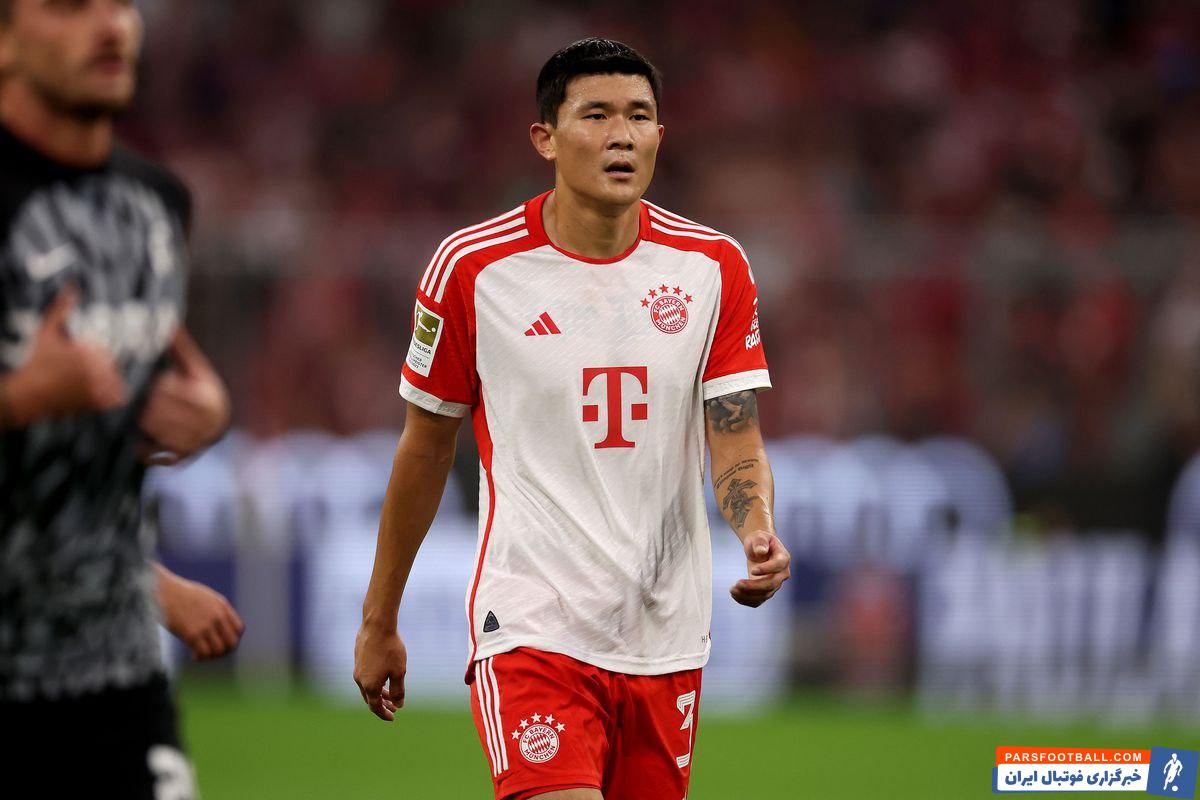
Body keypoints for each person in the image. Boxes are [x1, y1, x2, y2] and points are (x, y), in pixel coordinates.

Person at [355, 37, 789, 799]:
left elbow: (733, 431)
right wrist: (378, 618)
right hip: (532, 627)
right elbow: (425, 448)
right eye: (596, 115)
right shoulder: (472, 268)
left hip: (664, 631)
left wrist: (755, 529)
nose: (622, 136)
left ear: (660, 135)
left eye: (639, 116)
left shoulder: (713, 267)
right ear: (545, 138)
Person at [0, 0, 242, 796]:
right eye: (70, 5)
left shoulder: (156, 202)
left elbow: (149, 374)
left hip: (115, 673)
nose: (109, 24)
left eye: (119, 2)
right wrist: (20, 397)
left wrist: (207, 410)